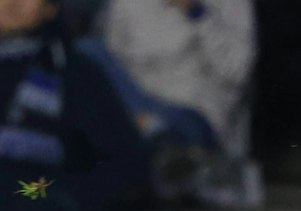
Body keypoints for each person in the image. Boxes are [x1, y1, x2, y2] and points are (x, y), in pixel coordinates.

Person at [0, 0, 148, 211]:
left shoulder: (76, 74)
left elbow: (126, 164)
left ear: (51, 8)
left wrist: (57, 198)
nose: (13, 3)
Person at [88, 0, 255, 154]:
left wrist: (196, 12)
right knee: (89, 51)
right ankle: (144, 132)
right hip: (137, 102)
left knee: (159, 132)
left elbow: (238, 72)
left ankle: (154, 139)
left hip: (192, 111)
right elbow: (113, 57)